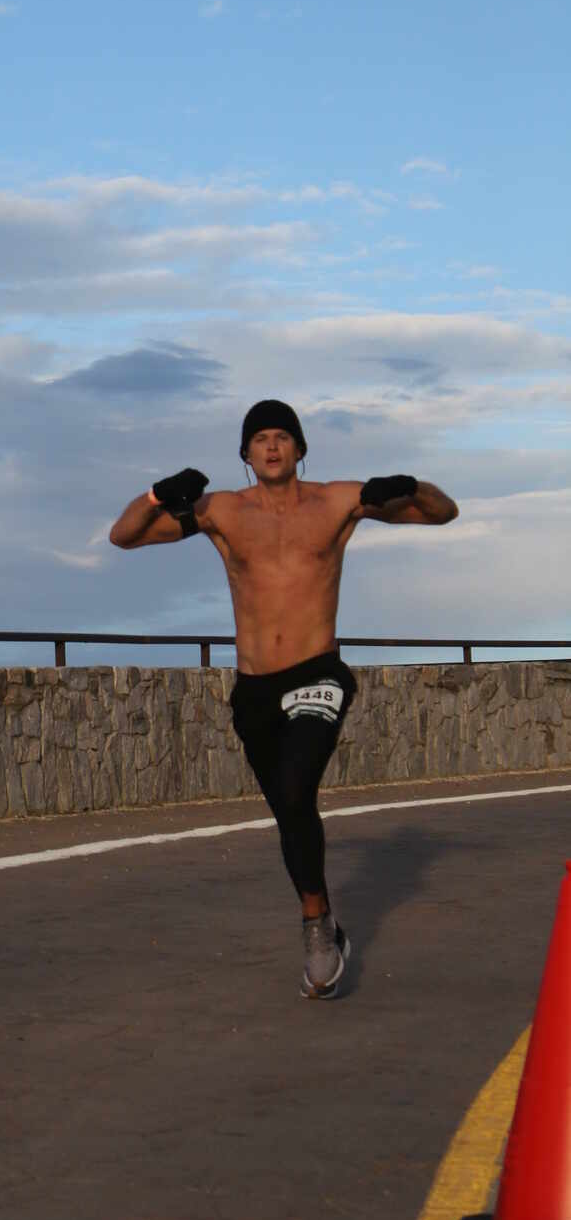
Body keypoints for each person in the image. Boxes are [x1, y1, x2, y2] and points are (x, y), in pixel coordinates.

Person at [107, 399, 459, 999]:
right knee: (291, 813)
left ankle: (315, 930)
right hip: (255, 691)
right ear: (246, 453)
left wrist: (408, 486)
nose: (272, 446)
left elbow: (443, 512)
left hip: (317, 672)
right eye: (260, 439)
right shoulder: (221, 510)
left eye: (282, 437)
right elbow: (124, 536)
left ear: (300, 448)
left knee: (296, 791)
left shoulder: (340, 501)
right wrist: (158, 495)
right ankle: (323, 918)